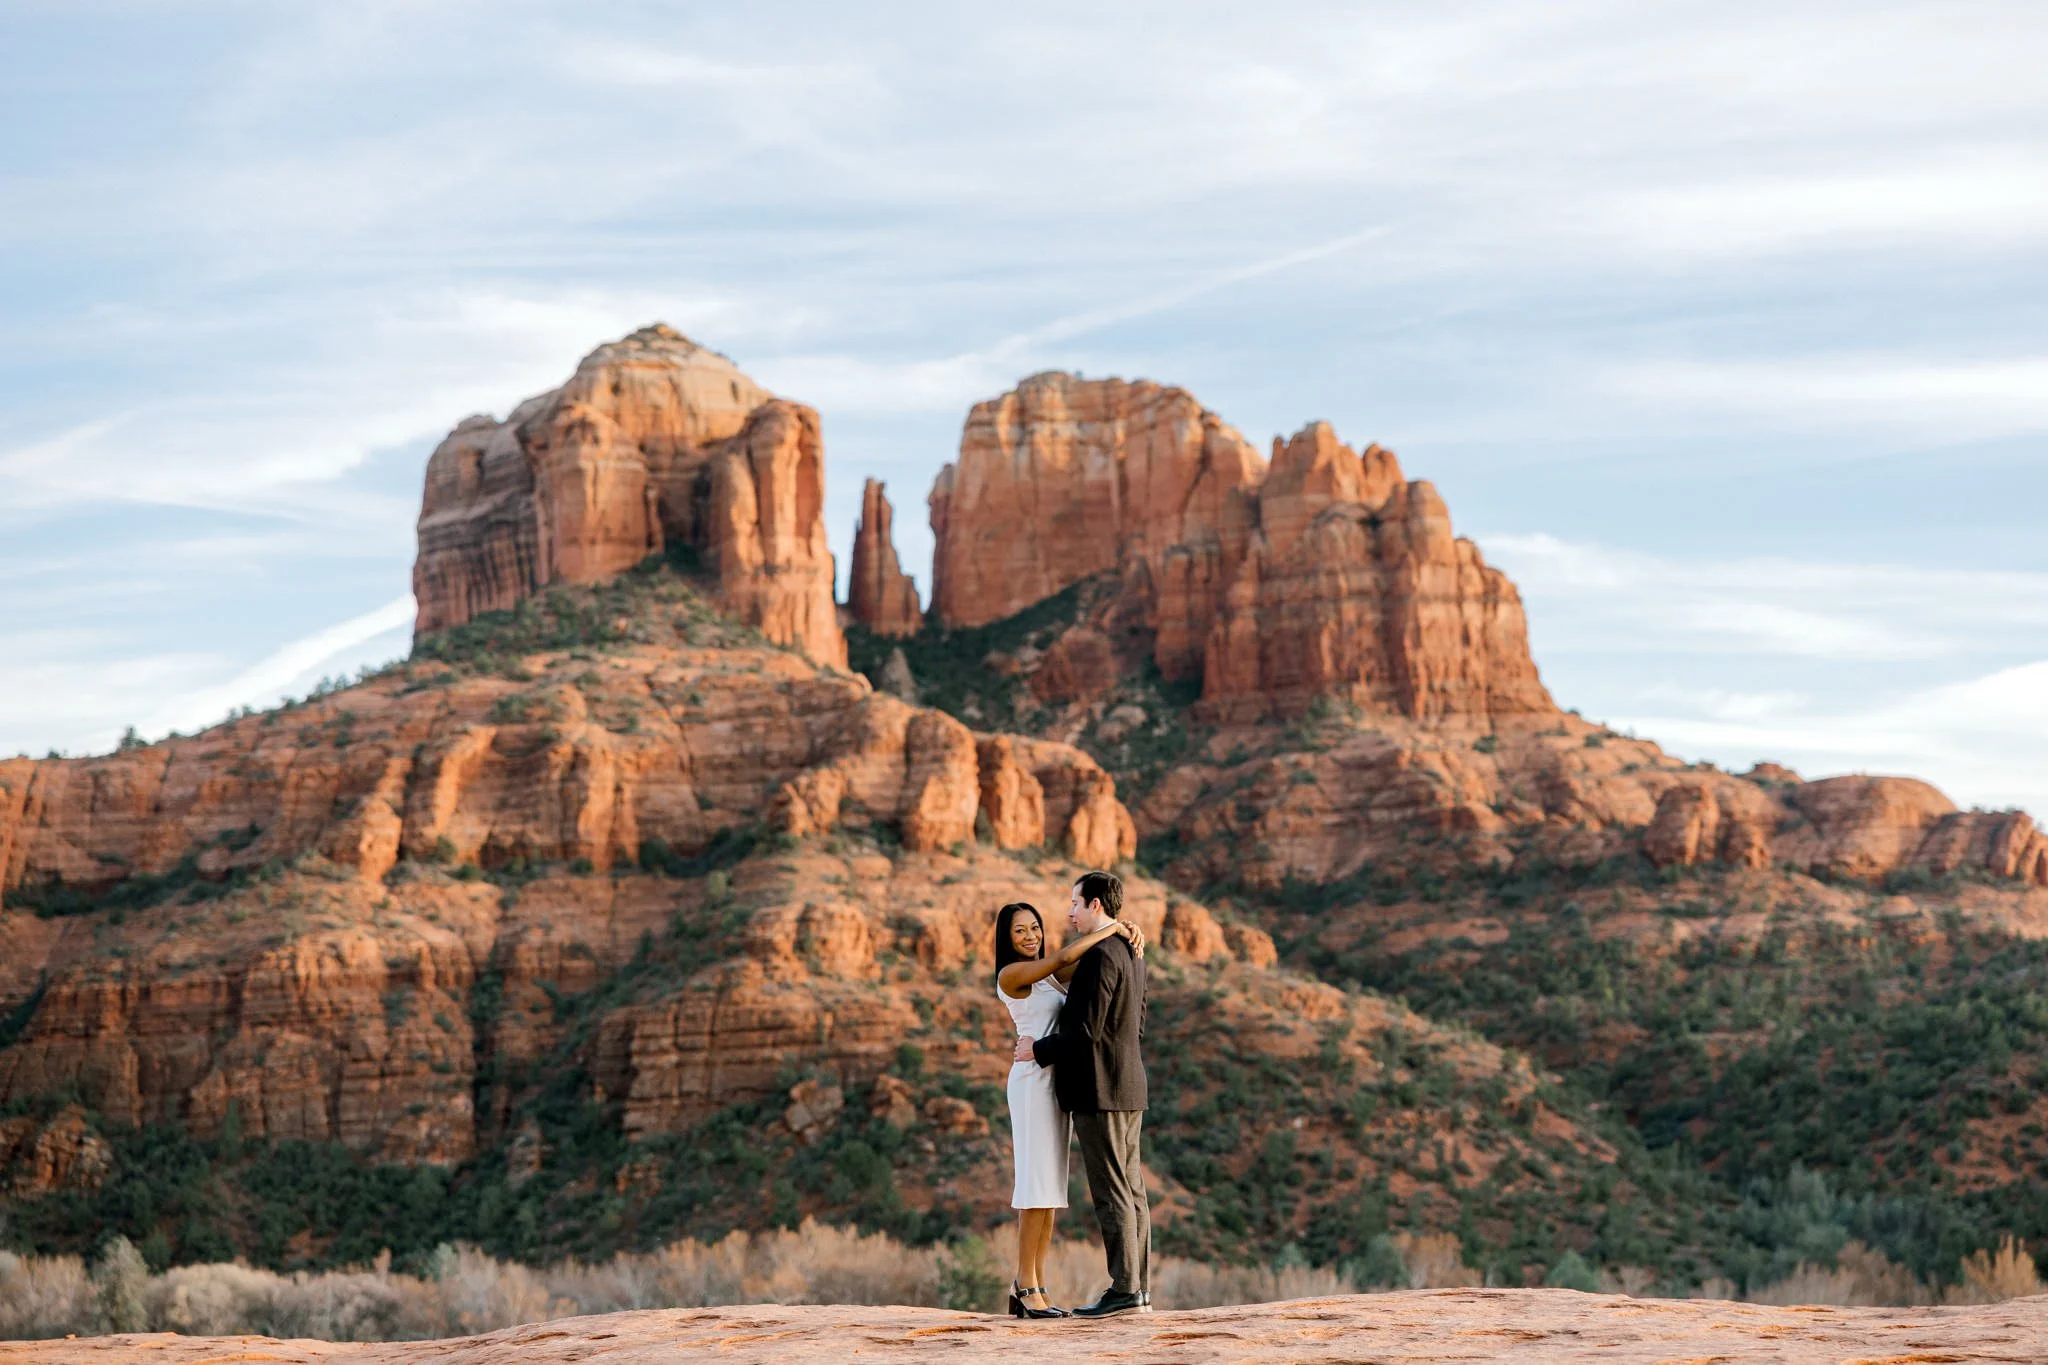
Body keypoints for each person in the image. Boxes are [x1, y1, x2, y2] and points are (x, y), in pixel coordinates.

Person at [993, 900, 1144, 1320]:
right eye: (1020, 930)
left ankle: (1037, 1284)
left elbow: (1093, 962)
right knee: (1033, 1188)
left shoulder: (1048, 979)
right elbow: (1066, 956)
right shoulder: (1012, 975)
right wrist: (1111, 928)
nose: (1030, 936)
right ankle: (1025, 1286)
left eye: (1035, 928)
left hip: (1054, 1083)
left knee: (1050, 1191)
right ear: (1006, 937)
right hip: (1029, 1085)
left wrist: (1126, 932)